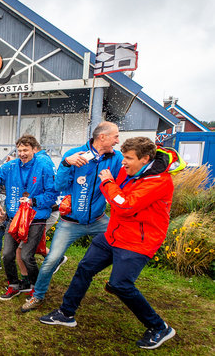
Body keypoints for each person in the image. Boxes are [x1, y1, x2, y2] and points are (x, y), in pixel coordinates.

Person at [39, 137, 179, 350]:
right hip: (113, 235)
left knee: (120, 285)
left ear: (145, 159)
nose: (123, 162)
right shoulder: (133, 170)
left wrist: (107, 182)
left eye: (129, 158)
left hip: (137, 243)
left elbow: (124, 205)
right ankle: (66, 313)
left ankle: (159, 327)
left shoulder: (158, 181)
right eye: (123, 157)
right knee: (85, 268)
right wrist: (72, 162)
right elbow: (114, 189)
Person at [20, 121, 123, 312]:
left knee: (123, 245)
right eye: (115, 136)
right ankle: (38, 296)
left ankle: (119, 283)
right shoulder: (73, 155)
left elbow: (124, 182)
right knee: (51, 259)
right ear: (102, 137)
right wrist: (67, 164)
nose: (118, 140)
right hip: (70, 223)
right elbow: (58, 185)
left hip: (99, 219)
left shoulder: (116, 158)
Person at [0, 134, 58, 300]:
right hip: (14, 219)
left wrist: (34, 201)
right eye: (20, 150)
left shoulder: (44, 165)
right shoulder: (10, 166)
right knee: (8, 254)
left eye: (26, 150)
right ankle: (13, 285)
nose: (22, 153)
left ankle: (36, 289)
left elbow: (53, 193)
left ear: (33, 150)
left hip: (35, 218)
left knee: (26, 256)